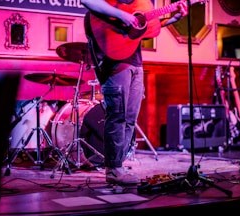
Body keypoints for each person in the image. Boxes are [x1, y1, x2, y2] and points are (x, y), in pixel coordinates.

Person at [81, 0, 188, 185]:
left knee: (130, 117)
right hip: (114, 62)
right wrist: (124, 16)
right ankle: (113, 169)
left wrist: (174, 18)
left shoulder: (142, 2)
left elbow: (149, 26)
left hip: (135, 61)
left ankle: (118, 165)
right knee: (117, 116)